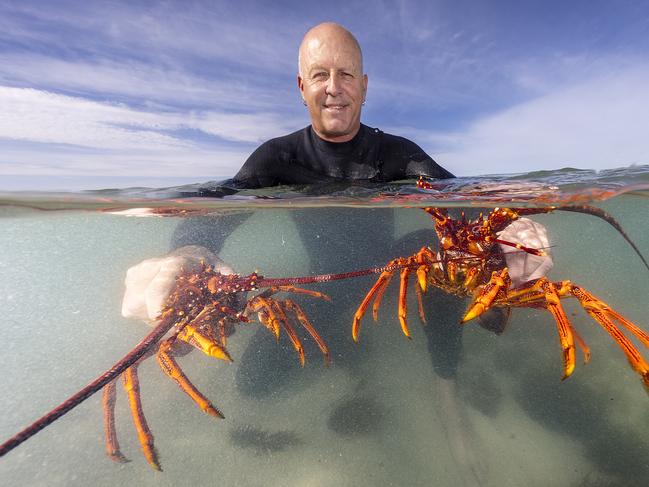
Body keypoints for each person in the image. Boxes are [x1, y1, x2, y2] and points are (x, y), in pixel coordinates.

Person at [122, 22, 552, 485]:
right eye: (320, 74)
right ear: (301, 85)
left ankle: (447, 393)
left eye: (347, 75)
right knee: (253, 384)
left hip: (392, 278)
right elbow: (216, 210)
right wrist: (184, 253)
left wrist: (514, 227)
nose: (334, 88)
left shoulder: (397, 153)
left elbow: (461, 198)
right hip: (326, 290)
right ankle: (353, 350)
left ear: (364, 87)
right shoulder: (275, 158)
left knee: (435, 254)